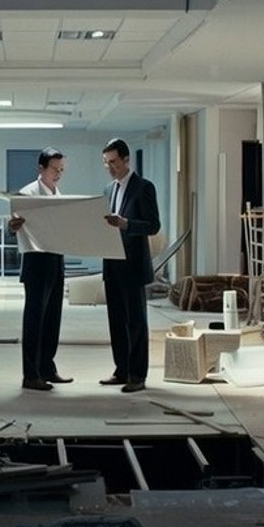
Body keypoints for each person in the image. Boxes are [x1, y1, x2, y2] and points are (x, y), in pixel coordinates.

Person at [97, 138, 160, 393]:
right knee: (116, 322)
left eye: (113, 162)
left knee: (136, 323)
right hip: (112, 265)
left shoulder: (143, 187)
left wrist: (126, 224)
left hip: (133, 266)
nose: (110, 168)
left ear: (126, 160)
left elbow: (154, 226)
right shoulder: (108, 190)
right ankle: (121, 370)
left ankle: (138, 376)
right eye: (106, 163)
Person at [7, 149, 70, 392]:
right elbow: (11, 227)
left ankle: (47, 368)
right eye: (55, 169)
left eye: (61, 170)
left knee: (53, 317)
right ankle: (30, 375)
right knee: (35, 319)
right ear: (41, 169)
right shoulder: (28, 194)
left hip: (55, 258)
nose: (59, 174)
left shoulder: (58, 193)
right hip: (36, 262)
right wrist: (12, 226)